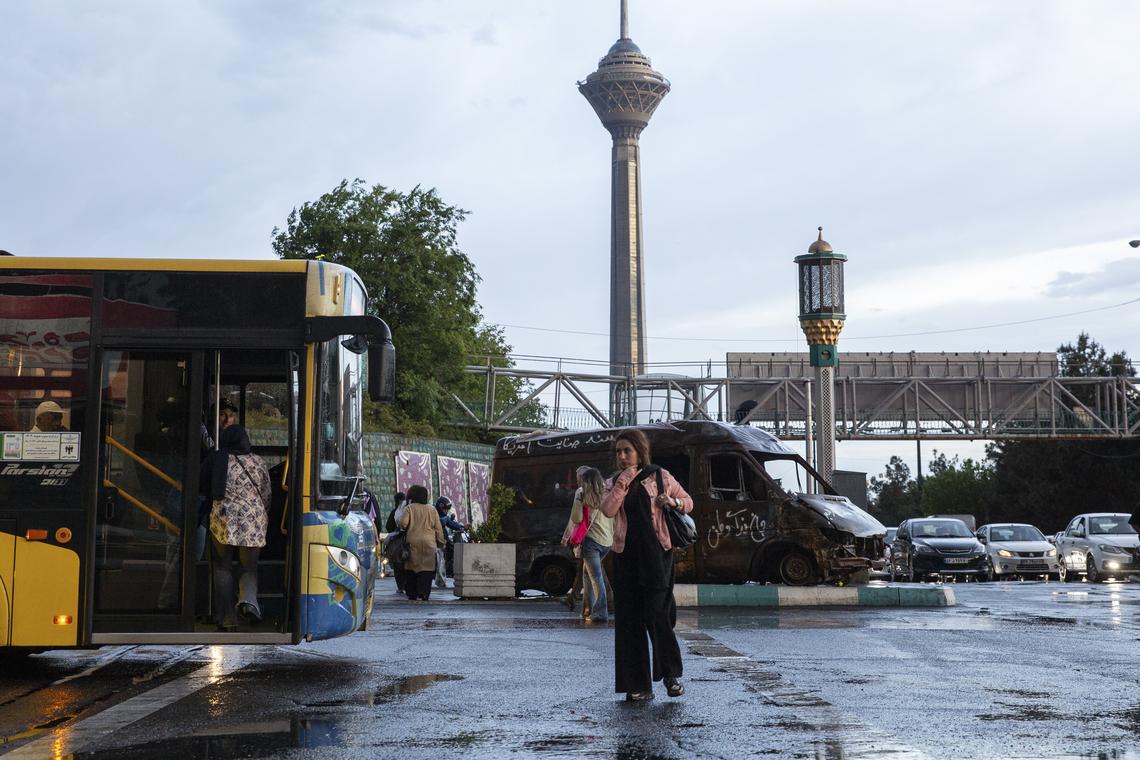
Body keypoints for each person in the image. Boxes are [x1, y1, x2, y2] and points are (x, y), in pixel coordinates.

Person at [600, 428, 693, 702]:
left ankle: (670, 675)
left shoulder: (659, 476)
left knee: (657, 616)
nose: (622, 456)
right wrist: (622, 483)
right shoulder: (615, 481)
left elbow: (689, 502)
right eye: (618, 452)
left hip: (656, 556)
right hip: (625, 556)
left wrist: (672, 501)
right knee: (629, 621)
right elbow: (607, 509)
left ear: (640, 451)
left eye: (627, 451)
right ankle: (637, 685)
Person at [202, 402, 271, 630]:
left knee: (223, 567)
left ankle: (227, 618)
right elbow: (266, 494)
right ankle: (249, 602)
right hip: (254, 521)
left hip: (224, 519)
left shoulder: (218, 458)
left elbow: (203, 484)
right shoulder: (259, 462)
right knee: (249, 566)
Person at [569, 466, 614, 624]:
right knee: (587, 575)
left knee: (595, 577)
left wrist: (578, 501)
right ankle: (587, 609)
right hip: (607, 542)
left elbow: (576, 518)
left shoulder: (583, 494)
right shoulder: (608, 494)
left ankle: (601, 612)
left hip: (591, 543)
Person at [398, 485, 445, 601]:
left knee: (411, 569)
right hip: (429, 544)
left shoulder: (410, 508)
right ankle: (424, 593)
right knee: (426, 570)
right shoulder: (432, 510)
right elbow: (438, 529)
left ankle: (412, 593)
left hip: (412, 543)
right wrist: (441, 542)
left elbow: (403, 524)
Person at [434, 496, 466, 589]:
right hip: (433, 540)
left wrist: (462, 527)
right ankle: (440, 579)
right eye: (445, 509)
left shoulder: (445, 517)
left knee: (443, 557)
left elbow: (452, 524)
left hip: (442, 540)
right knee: (440, 559)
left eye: (447, 509)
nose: (446, 511)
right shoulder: (433, 513)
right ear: (440, 507)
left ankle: (443, 577)